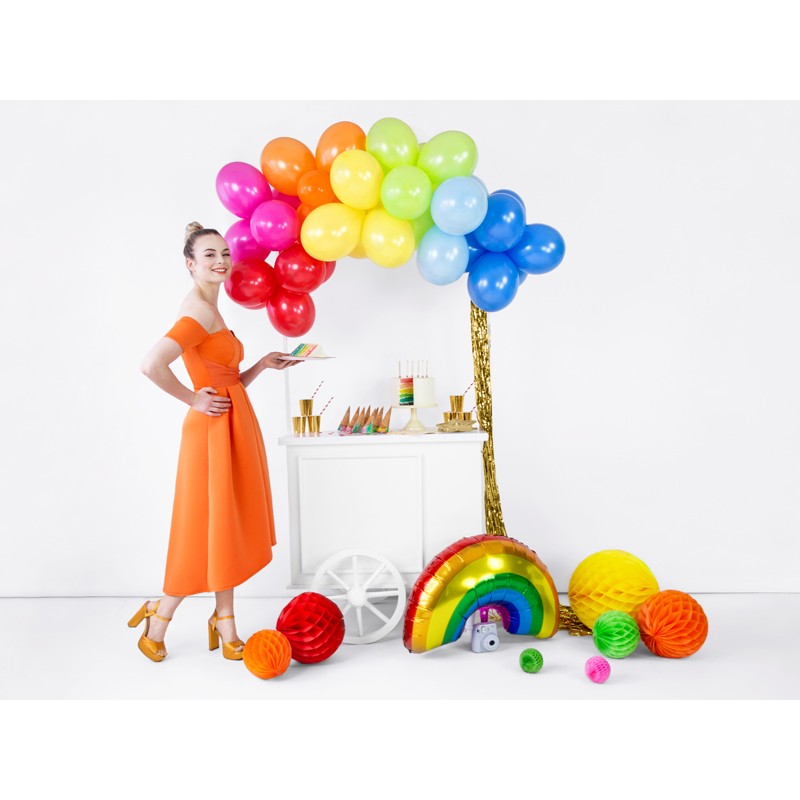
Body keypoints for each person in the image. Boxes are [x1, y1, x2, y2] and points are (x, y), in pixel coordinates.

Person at [128, 222, 300, 662]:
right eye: (209, 255)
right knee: (203, 526)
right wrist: (193, 399)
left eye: (225, 253)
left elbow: (225, 381)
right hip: (211, 432)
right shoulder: (199, 312)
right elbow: (151, 364)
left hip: (231, 425)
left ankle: (225, 621)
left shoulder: (212, 310)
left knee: (227, 524)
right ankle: (160, 616)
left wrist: (261, 365)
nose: (221, 261)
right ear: (190, 264)